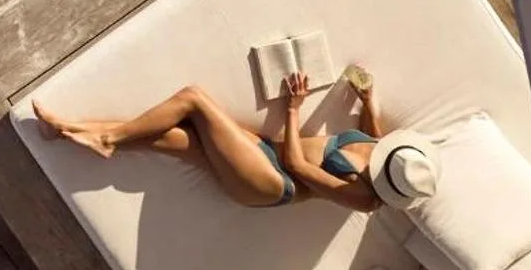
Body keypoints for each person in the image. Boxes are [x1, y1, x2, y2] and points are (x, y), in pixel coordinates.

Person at [33, 67, 433, 212]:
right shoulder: (385, 153)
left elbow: (297, 165)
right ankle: (66, 129)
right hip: (266, 154)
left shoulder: (363, 199)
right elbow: (372, 131)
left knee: (193, 99)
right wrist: (367, 98)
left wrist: (293, 109)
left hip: (272, 182)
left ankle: (106, 138)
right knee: (170, 136)